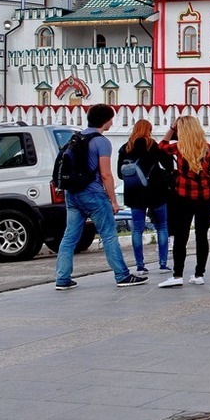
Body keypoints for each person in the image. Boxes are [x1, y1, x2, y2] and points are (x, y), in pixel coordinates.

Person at [55, 104, 146, 290]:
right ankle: (122, 275)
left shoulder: (75, 138)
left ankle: (62, 278)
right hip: (93, 194)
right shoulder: (101, 142)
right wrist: (113, 200)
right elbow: (105, 174)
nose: (112, 122)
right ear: (106, 120)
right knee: (109, 235)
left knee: (69, 237)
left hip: (72, 194)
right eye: (111, 118)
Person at [160, 115, 210, 287]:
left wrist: (171, 127)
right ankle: (199, 274)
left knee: (181, 236)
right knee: (202, 236)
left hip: (183, 197)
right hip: (205, 198)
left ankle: (177, 275)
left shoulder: (178, 148)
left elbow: (160, 146)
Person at [116, 119, 174, 275]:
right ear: (149, 130)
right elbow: (168, 166)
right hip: (156, 192)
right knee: (162, 227)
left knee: (137, 229)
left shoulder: (125, 148)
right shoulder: (153, 146)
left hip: (134, 193)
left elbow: (120, 174)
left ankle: (140, 265)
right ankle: (162, 264)